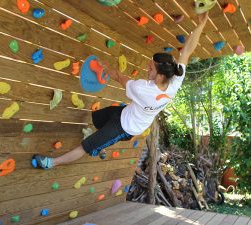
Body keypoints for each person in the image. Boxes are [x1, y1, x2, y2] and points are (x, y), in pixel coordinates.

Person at [31, 12, 209, 169]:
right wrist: (201, 24)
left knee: (86, 146)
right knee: (96, 119)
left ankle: (50, 163)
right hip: (124, 112)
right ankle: (99, 144)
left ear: (161, 74)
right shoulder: (175, 80)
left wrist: (106, 67)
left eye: (150, 69)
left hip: (124, 128)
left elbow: (119, 77)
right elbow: (187, 51)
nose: (147, 70)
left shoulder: (143, 90)